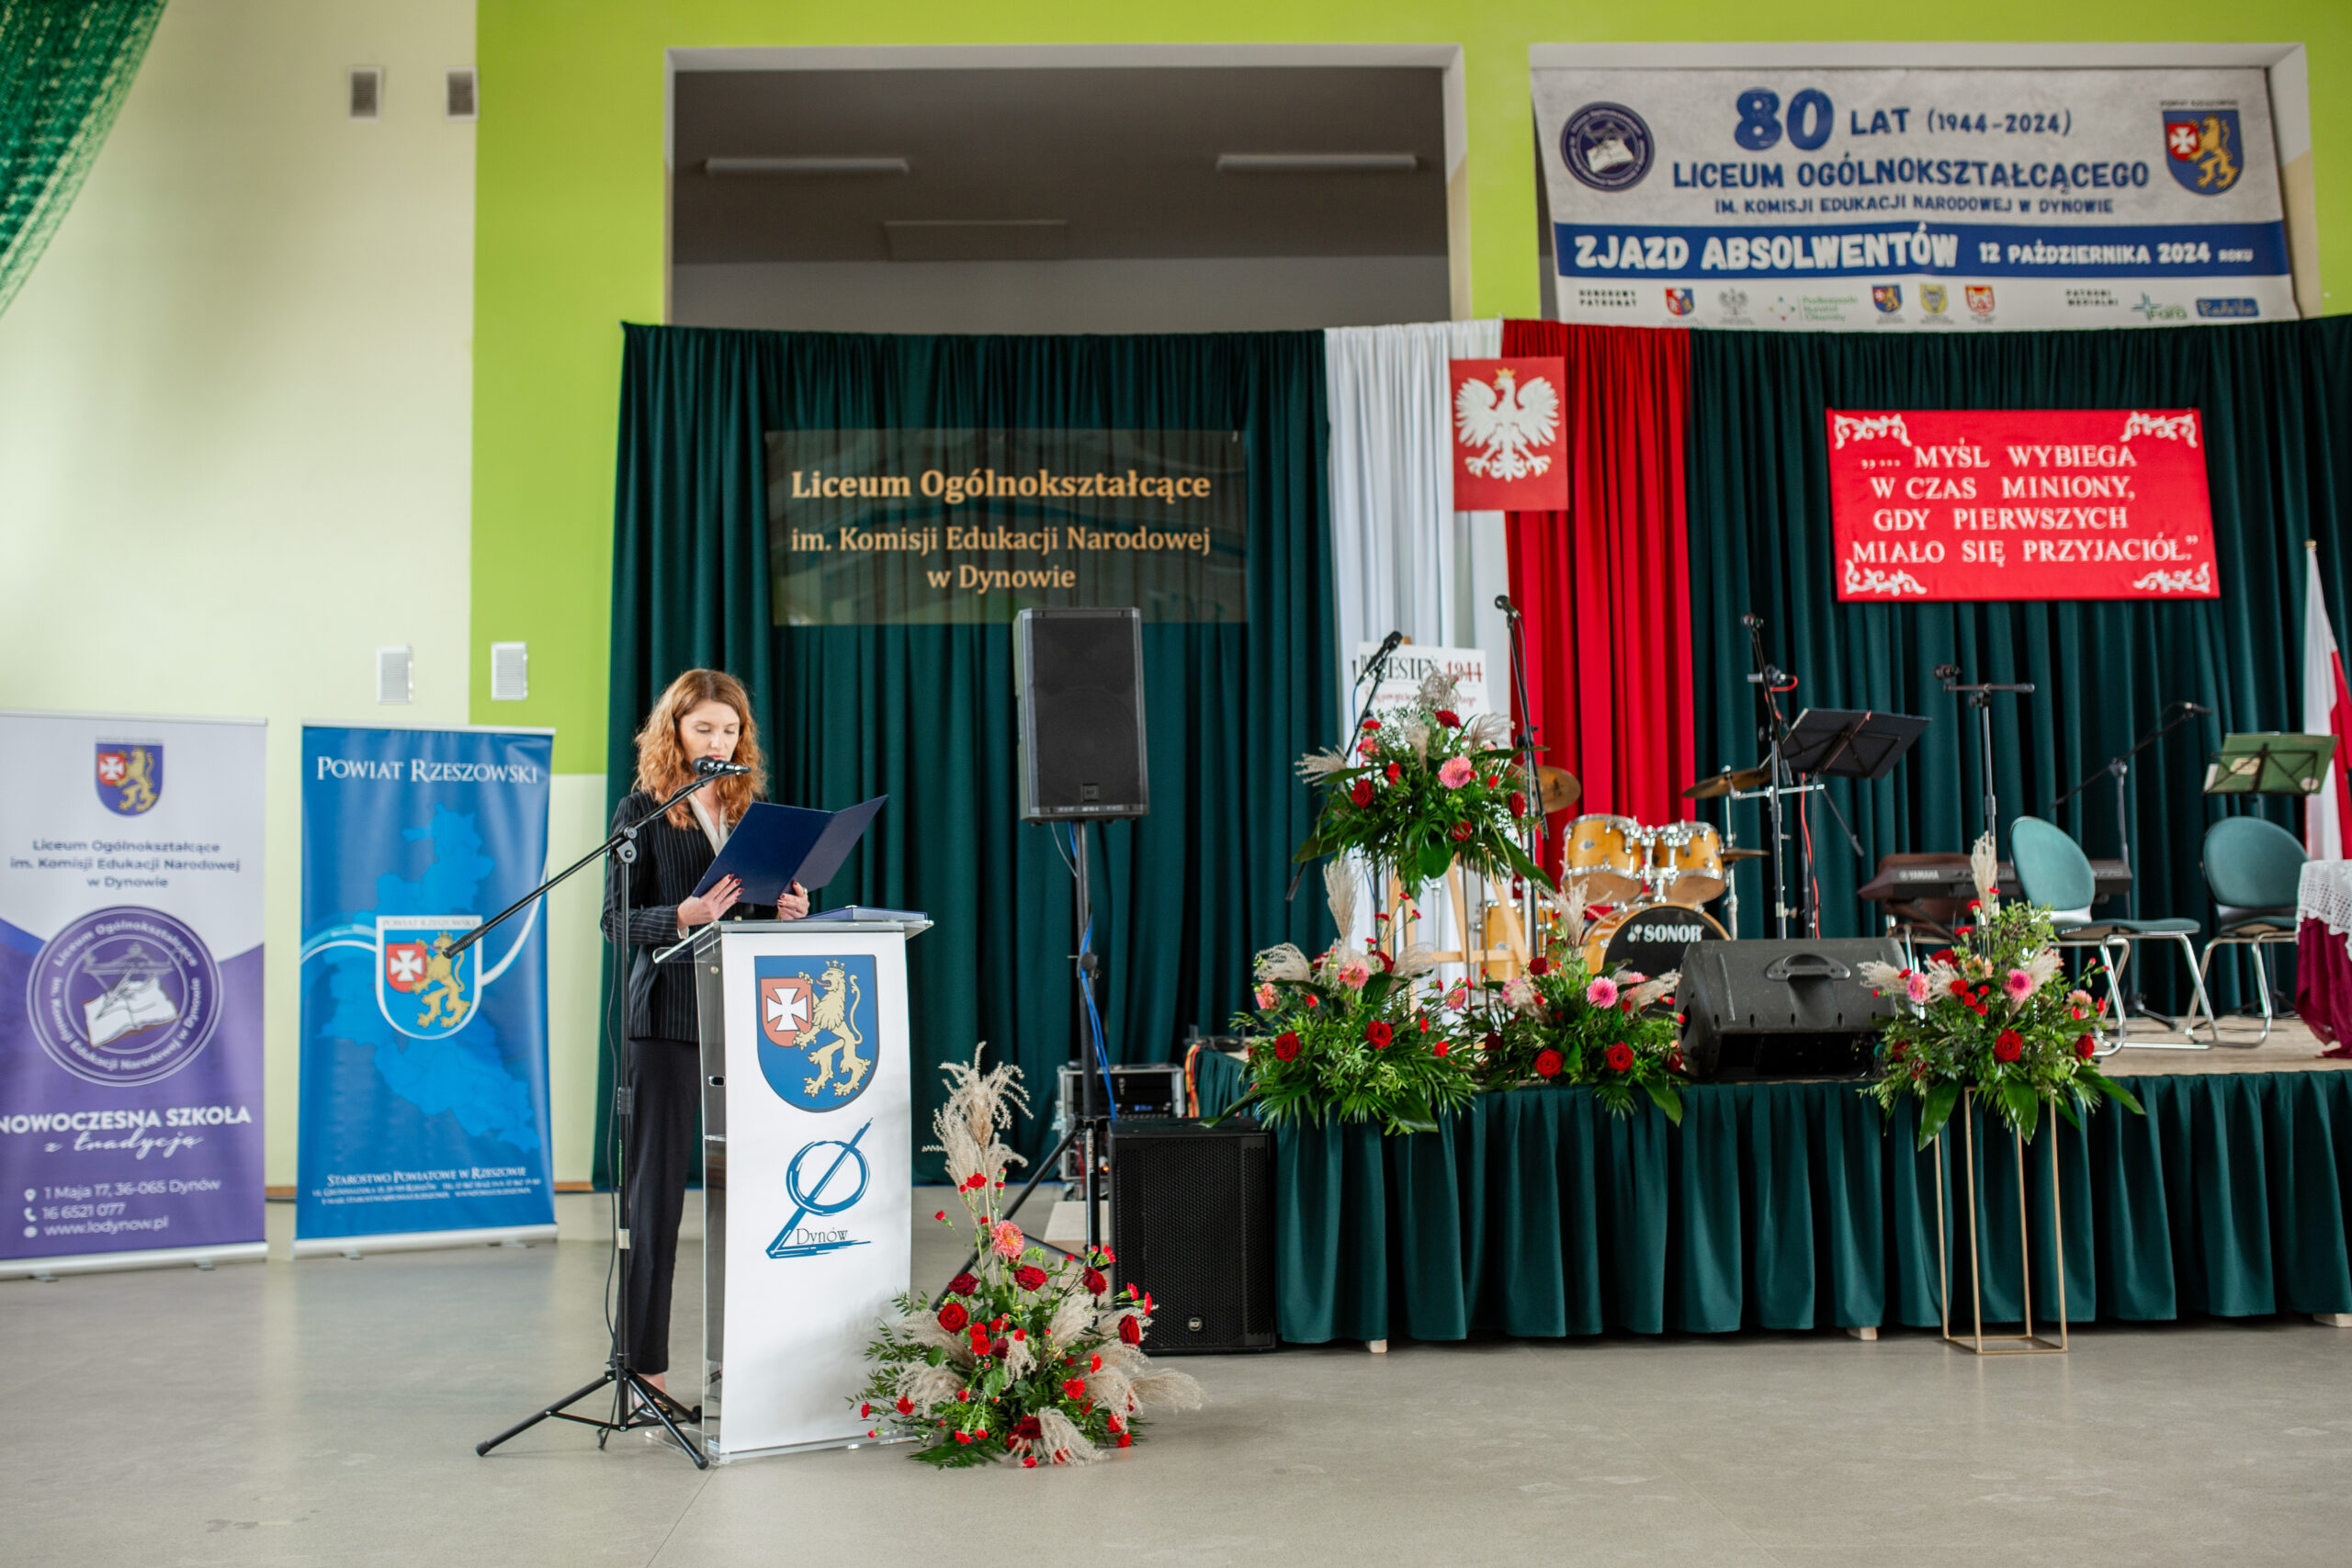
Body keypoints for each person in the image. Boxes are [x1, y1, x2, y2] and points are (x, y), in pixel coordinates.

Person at [600, 669, 808, 1402]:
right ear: (675, 732)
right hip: (666, 1021)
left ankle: (748, 1363)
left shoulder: (750, 814)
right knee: (656, 1200)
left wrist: (785, 909)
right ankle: (643, 1368)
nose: (718, 740)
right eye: (704, 728)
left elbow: (749, 912)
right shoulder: (644, 811)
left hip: (742, 1021)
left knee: (755, 1193)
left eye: (729, 729)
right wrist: (681, 916)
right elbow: (615, 920)